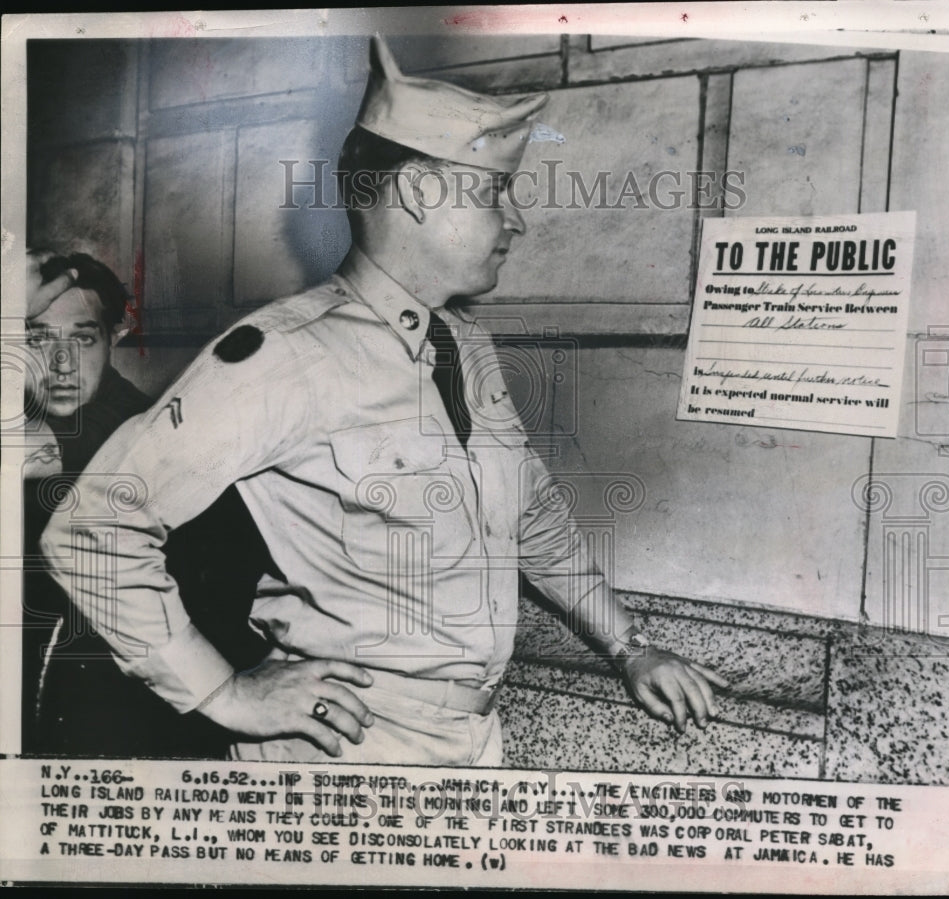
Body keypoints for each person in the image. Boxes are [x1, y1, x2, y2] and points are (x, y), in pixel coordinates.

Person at [40, 37, 728, 766]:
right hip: (345, 752)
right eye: (495, 192)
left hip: (470, 746)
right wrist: (224, 695)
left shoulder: (466, 347)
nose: (517, 221)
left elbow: (533, 519)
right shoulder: (286, 354)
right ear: (419, 195)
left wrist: (630, 646)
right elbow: (94, 527)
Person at [22, 250, 265, 756]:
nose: (61, 364)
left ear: (116, 335)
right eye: (38, 339)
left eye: (82, 338)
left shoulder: (134, 430)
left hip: (120, 714)